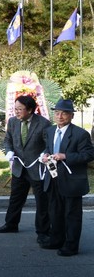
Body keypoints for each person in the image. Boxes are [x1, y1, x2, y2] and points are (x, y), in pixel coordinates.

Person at [39, 99, 94, 256]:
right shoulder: (50, 131)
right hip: (53, 177)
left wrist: (65, 156)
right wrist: (45, 155)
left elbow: (89, 155)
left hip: (72, 181)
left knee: (71, 215)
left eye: (64, 113)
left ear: (71, 116)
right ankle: (56, 240)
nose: (60, 116)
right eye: (57, 113)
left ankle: (71, 246)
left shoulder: (80, 134)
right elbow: (48, 148)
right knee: (54, 211)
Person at [0, 95, 50, 244]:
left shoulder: (44, 123)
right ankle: (11, 224)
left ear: (30, 110)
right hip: (19, 168)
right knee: (15, 198)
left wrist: (44, 154)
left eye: (20, 109)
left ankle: (43, 231)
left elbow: (49, 144)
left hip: (36, 168)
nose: (16, 112)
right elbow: (8, 140)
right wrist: (9, 151)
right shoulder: (12, 122)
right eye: (15, 109)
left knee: (42, 201)